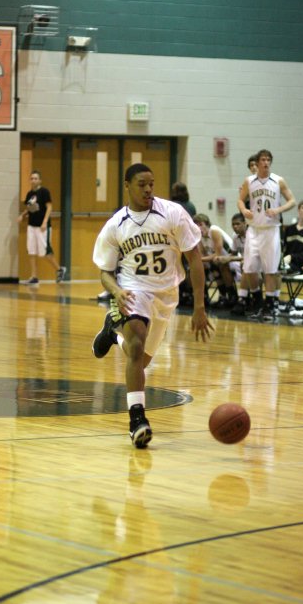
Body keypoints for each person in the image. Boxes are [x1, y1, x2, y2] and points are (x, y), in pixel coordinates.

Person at [92, 163, 213, 448]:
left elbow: (194, 259)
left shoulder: (172, 213)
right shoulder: (115, 225)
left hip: (167, 294)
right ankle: (137, 421)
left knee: (142, 361)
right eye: (141, 184)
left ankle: (113, 335)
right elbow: (105, 272)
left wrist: (199, 307)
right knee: (137, 347)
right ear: (127, 186)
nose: (148, 189)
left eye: (151, 183)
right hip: (134, 289)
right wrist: (116, 291)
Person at [237, 149, 296, 320]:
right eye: (263, 159)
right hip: (253, 229)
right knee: (249, 268)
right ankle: (257, 301)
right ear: (257, 162)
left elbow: (292, 201)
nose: (266, 162)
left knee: (270, 270)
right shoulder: (249, 181)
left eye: (268, 159)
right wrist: (243, 209)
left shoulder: (278, 181)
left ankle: (270, 305)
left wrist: (278, 209)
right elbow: (240, 199)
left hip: (271, 230)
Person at [17, 170, 66, 285]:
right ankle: (34, 276)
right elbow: (29, 208)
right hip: (31, 226)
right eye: (32, 178)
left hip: (42, 227)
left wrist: (44, 222)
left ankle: (59, 269)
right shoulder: (29, 194)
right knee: (31, 251)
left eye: (35, 178)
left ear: (39, 180)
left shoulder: (44, 192)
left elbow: (49, 207)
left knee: (45, 252)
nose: (33, 180)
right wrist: (22, 215)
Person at [193, 213, 238, 307]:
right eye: (196, 225)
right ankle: (207, 297)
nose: (199, 227)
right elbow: (202, 255)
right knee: (200, 267)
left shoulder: (214, 230)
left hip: (233, 260)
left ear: (207, 224)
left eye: (201, 224)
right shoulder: (200, 236)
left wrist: (200, 260)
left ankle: (232, 296)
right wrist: (198, 261)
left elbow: (218, 254)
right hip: (216, 262)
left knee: (218, 262)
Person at [282, 199, 303, 274]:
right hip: (286, 262)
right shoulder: (289, 229)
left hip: (302, 266)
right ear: (298, 210)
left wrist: (291, 257)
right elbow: (282, 247)